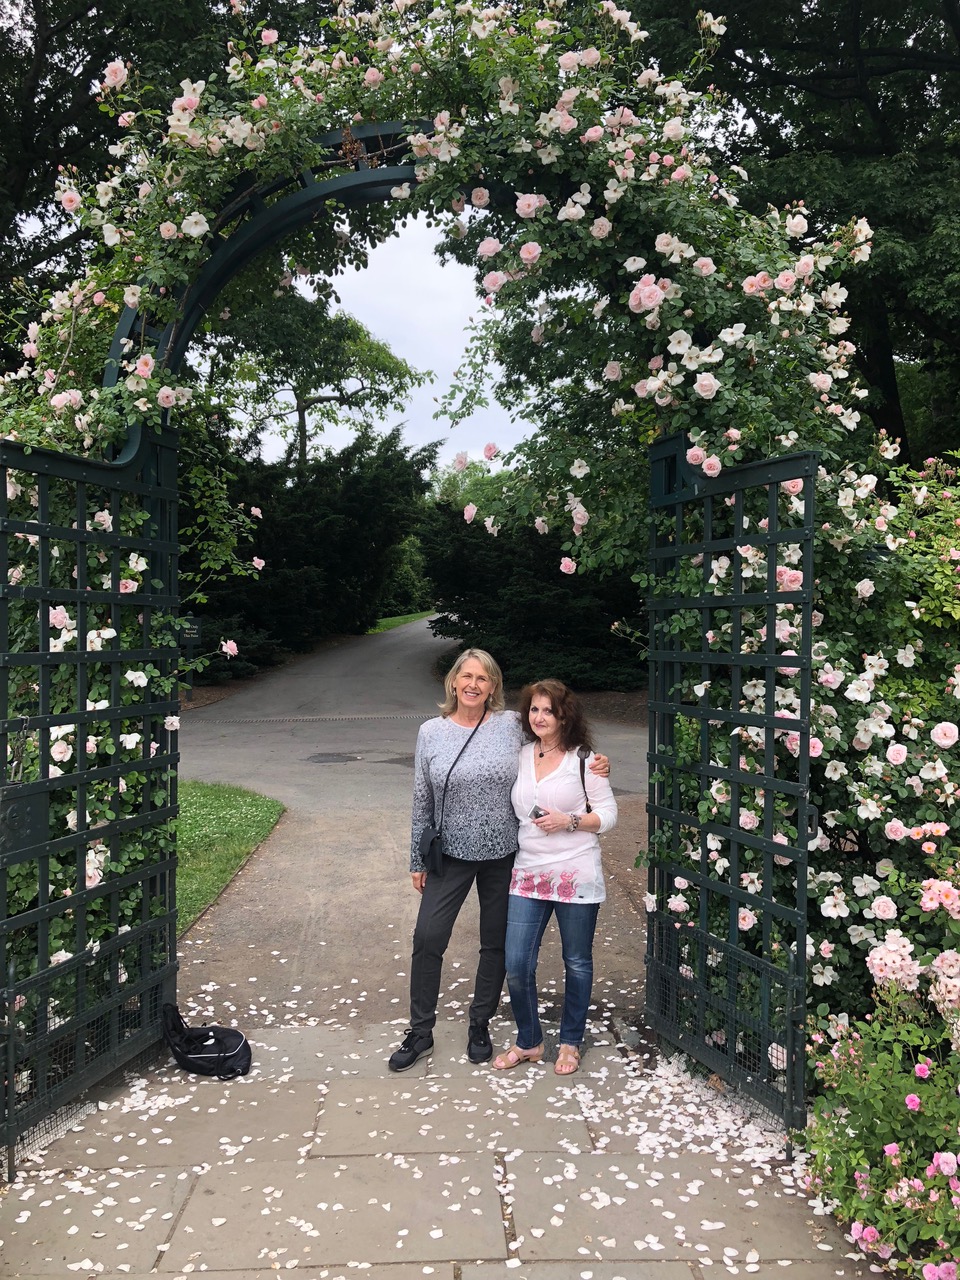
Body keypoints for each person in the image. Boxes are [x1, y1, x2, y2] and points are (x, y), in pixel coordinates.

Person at [389, 650, 609, 1072]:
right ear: (454, 682)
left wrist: (596, 761)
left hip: (503, 855)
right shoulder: (431, 732)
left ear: (493, 686)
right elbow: (422, 799)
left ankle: (480, 1024)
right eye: (466, 676)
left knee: (495, 944)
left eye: (483, 678)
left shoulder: (510, 725)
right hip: (449, 855)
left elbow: (554, 740)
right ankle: (420, 1031)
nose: (473, 685)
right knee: (428, 937)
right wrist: (417, 858)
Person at [492, 679, 617, 1076]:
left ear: (565, 716)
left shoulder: (585, 760)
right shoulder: (520, 754)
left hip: (575, 872)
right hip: (528, 872)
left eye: (549, 710)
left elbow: (608, 815)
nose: (540, 717)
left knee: (576, 961)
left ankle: (570, 1041)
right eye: (534, 709)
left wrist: (570, 820)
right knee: (516, 962)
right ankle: (529, 1040)